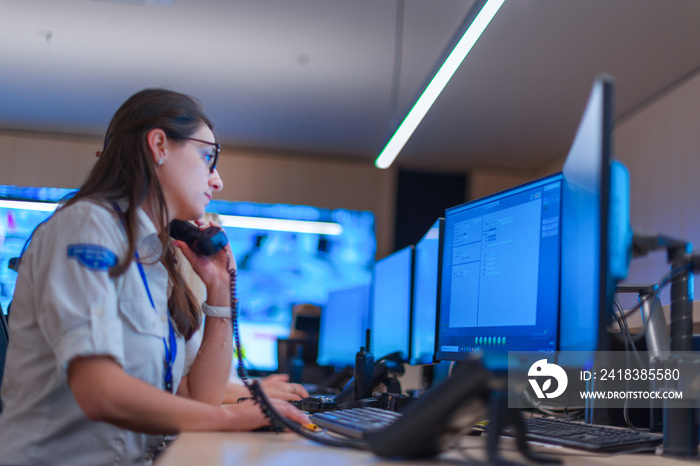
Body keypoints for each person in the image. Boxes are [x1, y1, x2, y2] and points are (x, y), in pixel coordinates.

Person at [0, 88, 308, 465]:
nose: (217, 181)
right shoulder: (87, 228)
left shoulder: (152, 260)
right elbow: (100, 391)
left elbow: (199, 399)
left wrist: (218, 291)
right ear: (159, 145)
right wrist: (230, 417)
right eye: (207, 157)